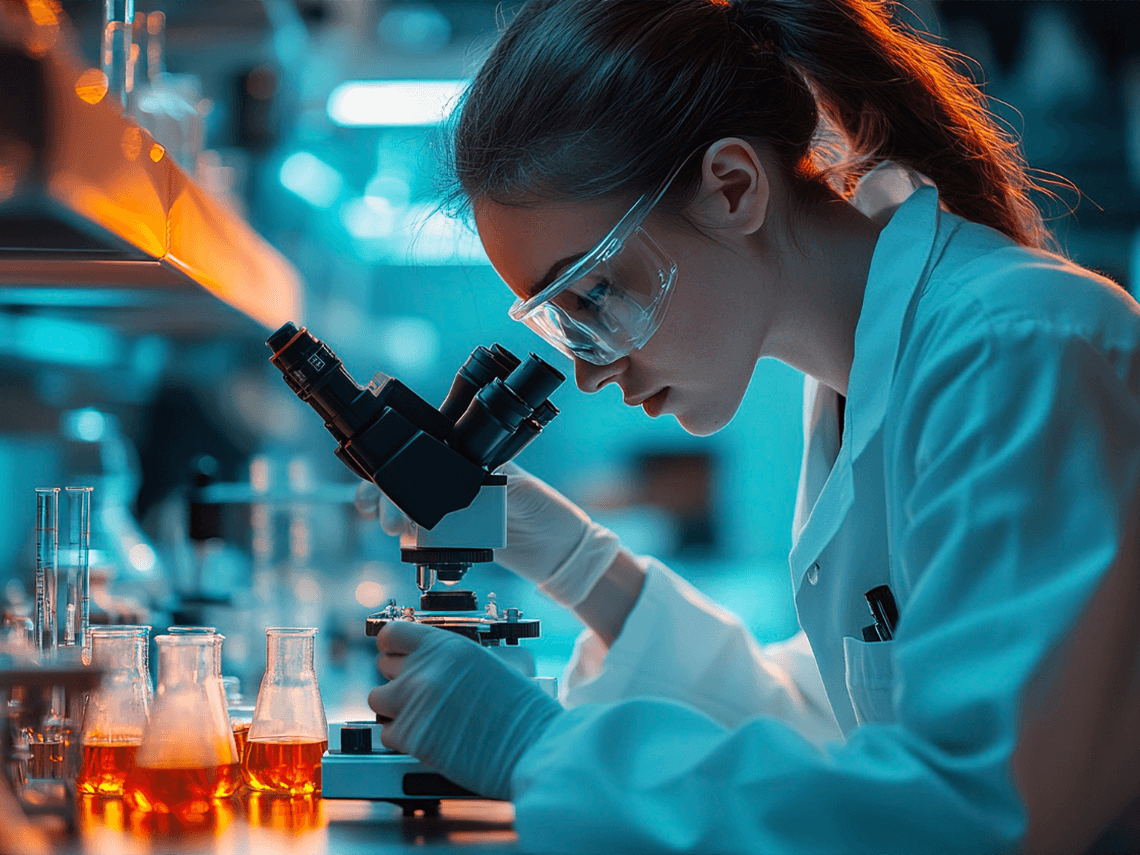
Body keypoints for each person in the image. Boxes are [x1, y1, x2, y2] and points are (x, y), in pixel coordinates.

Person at [365, 1, 1140, 851]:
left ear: (733, 188)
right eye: (559, 322)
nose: (588, 369)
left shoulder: (1015, 351)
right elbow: (836, 735)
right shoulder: (860, 388)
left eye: (594, 293)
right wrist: (588, 571)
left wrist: (539, 749)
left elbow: (974, 812)